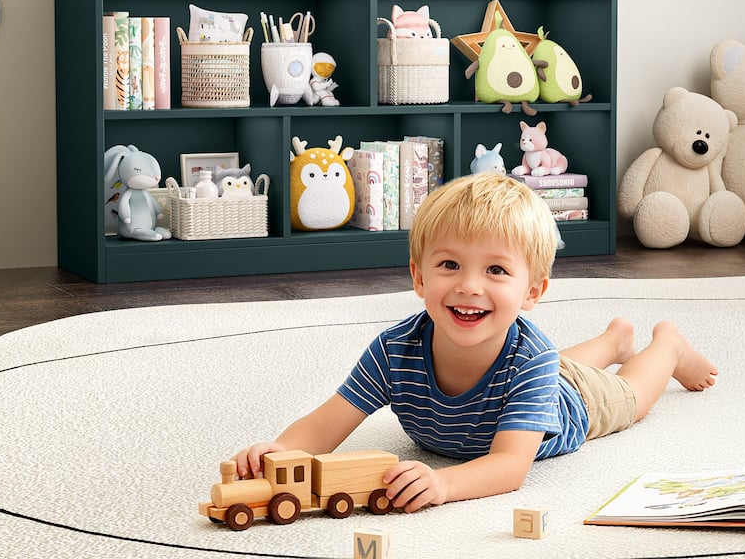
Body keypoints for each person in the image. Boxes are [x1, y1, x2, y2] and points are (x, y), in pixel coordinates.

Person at [232, 173, 717, 513]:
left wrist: (442, 483)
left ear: (532, 292)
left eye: (496, 270)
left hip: (577, 404)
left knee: (630, 397)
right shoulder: (393, 350)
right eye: (449, 265)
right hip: (537, 373)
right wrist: (281, 452)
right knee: (555, 365)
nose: (469, 286)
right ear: (419, 277)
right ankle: (613, 340)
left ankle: (666, 346)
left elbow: (509, 465)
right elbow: (326, 423)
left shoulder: (532, 361)